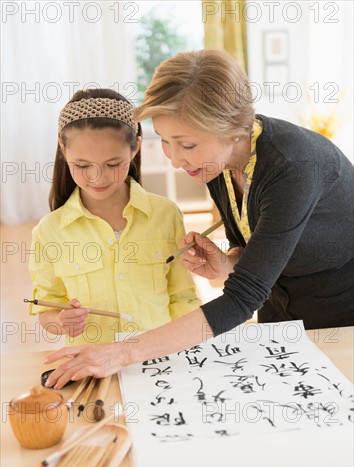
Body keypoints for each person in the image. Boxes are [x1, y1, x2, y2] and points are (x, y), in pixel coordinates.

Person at [44, 49, 354, 390]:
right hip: (280, 308)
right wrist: (229, 262)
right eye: (164, 141)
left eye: (186, 144)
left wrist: (121, 352)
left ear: (233, 128)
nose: (175, 159)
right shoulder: (219, 162)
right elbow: (255, 249)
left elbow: (241, 300)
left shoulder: (292, 167)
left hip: (340, 315)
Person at [28, 88, 200, 346]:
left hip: (157, 361)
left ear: (135, 148)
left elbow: (183, 297)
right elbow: (46, 308)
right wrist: (61, 322)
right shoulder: (49, 231)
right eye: (83, 165)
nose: (97, 178)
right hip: (93, 366)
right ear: (63, 150)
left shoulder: (166, 215)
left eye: (112, 164)